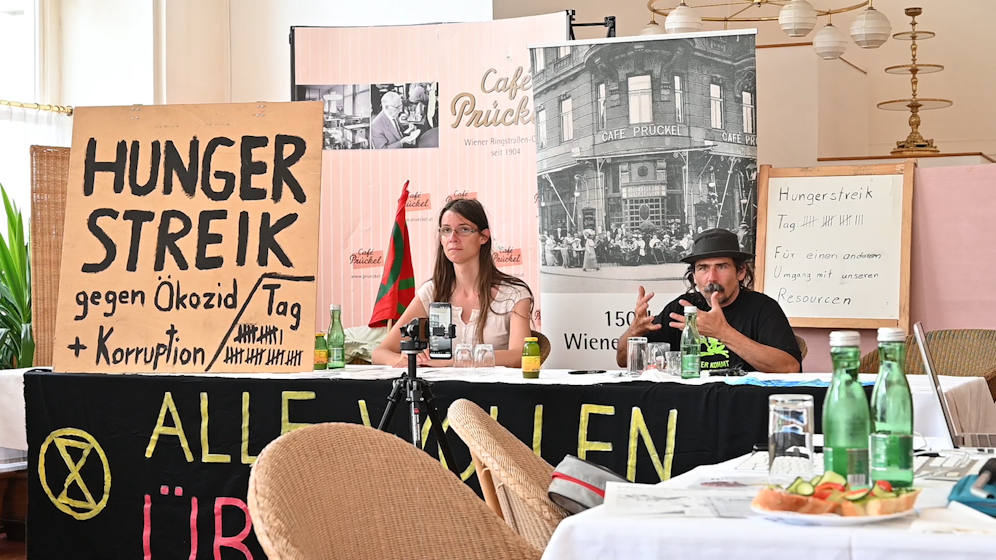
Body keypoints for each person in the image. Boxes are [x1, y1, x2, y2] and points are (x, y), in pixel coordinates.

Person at [373, 198, 534, 367]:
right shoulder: (432, 291)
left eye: (463, 229)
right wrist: (405, 360)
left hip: (495, 392)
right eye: (446, 230)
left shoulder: (515, 294)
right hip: (441, 392)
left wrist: (452, 361)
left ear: (484, 237)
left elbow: (520, 357)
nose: (453, 238)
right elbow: (380, 353)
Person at [615, 228, 801, 373]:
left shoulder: (763, 308)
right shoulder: (681, 308)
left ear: (741, 272)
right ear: (694, 276)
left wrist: (723, 332)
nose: (711, 277)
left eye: (721, 266)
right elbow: (623, 361)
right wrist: (634, 331)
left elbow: (790, 368)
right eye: (703, 268)